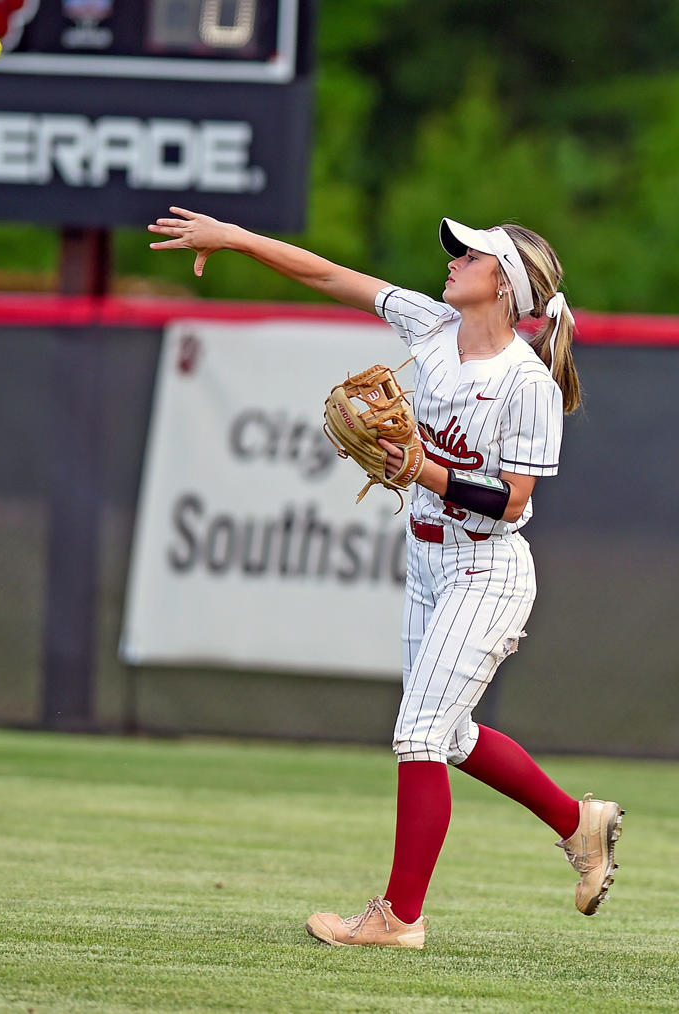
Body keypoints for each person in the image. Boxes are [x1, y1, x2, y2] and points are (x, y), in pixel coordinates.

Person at [148, 208, 624, 949]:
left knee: (418, 735)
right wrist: (238, 240)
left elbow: (514, 502)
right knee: (452, 735)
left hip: (488, 570)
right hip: (428, 559)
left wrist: (421, 467)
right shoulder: (433, 327)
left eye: (472, 255)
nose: (454, 259)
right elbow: (332, 276)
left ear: (506, 285)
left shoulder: (524, 383)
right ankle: (577, 823)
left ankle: (399, 918)